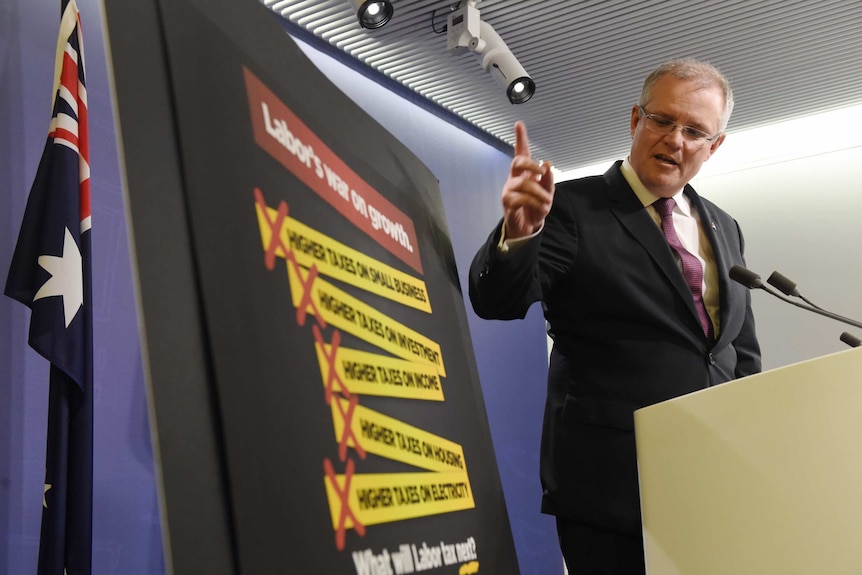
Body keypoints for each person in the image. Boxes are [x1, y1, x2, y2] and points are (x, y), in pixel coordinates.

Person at [468, 58, 761, 574]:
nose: (675, 139)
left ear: (714, 146)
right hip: (610, 487)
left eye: (695, 131)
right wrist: (519, 234)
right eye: (663, 120)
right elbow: (497, 302)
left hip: (710, 481)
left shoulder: (725, 226)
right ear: (635, 120)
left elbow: (738, 353)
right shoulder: (571, 208)